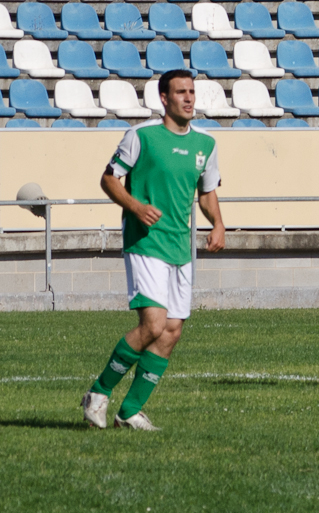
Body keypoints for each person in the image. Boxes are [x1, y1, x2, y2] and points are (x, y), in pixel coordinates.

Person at [80, 70, 225, 430]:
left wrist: (218, 223)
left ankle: (129, 411)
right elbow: (108, 178)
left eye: (192, 92)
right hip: (145, 242)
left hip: (180, 247)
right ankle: (97, 394)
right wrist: (135, 207)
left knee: (172, 331)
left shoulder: (206, 144)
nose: (189, 99)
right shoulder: (141, 136)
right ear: (164, 98)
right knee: (154, 323)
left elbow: (206, 192)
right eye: (181, 92)